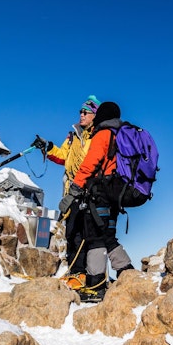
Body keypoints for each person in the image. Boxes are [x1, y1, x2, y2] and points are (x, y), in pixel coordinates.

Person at [59, 100, 135, 302]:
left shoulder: (103, 134)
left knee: (94, 238)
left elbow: (89, 164)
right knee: (108, 236)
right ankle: (128, 273)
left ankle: (96, 286)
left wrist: (74, 190)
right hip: (116, 195)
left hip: (100, 193)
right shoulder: (121, 134)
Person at [36, 95, 100, 271]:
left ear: (95, 114)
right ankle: (76, 273)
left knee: (88, 234)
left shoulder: (98, 136)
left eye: (86, 112)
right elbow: (63, 156)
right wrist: (48, 147)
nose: (81, 114)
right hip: (71, 192)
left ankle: (90, 275)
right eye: (80, 111)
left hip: (89, 192)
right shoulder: (73, 136)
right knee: (72, 233)